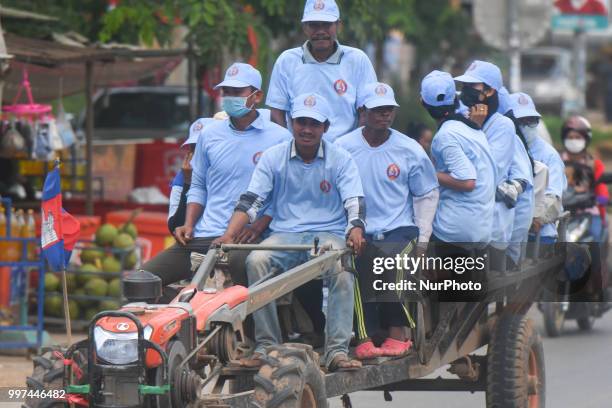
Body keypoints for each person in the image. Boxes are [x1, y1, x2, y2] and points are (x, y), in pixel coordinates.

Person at [215, 93, 366, 372]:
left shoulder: (341, 159)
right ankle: (267, 346)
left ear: (325, 128)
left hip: (328, 235)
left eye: (314, 123)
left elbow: (354, 201)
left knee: (343, 268)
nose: (307, 129)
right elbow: (251, 200)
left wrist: (356, 226)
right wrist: (228, 235)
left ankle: (336, 351)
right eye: (301, 122)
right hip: (285, 234)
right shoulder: (274, 157)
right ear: (290, 123)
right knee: (256, 261)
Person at [142, 62, 291, 286]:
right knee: (142, 279)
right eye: (226, 91)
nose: (229, 97)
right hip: (206, 233)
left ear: (257, 96)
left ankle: (249, 322)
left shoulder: (280, 138)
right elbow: (199, 184)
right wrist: (189, 224)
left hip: (250, 237)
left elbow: (285, 193)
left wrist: (258, 226)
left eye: (237, 92)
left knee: (242, 277)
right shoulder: (209, 135)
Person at [336, 82, 439, 359]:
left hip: (400, 229)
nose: (385, 115)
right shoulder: (342, 148)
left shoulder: (410, 150)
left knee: (390, 265)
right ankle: (364, 337)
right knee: (352, 270)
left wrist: (423, 243)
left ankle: (397, 332)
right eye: (378, 110)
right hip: (358, 229)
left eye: (389, 110)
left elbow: (426, 196)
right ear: (363, 112)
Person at [266, 0, 377, 142]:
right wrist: (287, 147)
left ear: (338, 25)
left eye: (326, 24)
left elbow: (366, 111)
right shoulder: (287, 61)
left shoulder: (358, 60)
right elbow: (277, 111)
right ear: (304, 27)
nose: (320, 31)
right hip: (298, 152)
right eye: (314, 25)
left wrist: (354, 147)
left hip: (345, 152)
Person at [455, 61, 530, 269]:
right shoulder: (462, 119)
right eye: (465, 87)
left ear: (489, 91)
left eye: (473, 87)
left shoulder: (502, 126)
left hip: (492, 225)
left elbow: (487, 174)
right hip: (461, 220)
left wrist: (475, 129)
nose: (466, 92)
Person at [421, 70, 496, 250]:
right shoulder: (471, 128)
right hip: (481, 229)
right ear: (455, 99)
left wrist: (428, 172)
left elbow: (467, 181)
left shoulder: (445, 136)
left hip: (454, 231)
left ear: (422, 103)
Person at [509, 93, 566, 244]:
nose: (526, 125)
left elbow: (553, 198)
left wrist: (534, 218)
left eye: (532, 120)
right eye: (521, 121)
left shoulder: (548, 155)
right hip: (508, 232)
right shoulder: (505, 149)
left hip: (539, 236)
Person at [168, 117, 215, 235]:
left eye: (202, 146)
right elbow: (175, 226)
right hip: (193, 240)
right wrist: (187, 183)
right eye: (193, 147)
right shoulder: (182, 177)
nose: (197, 153)